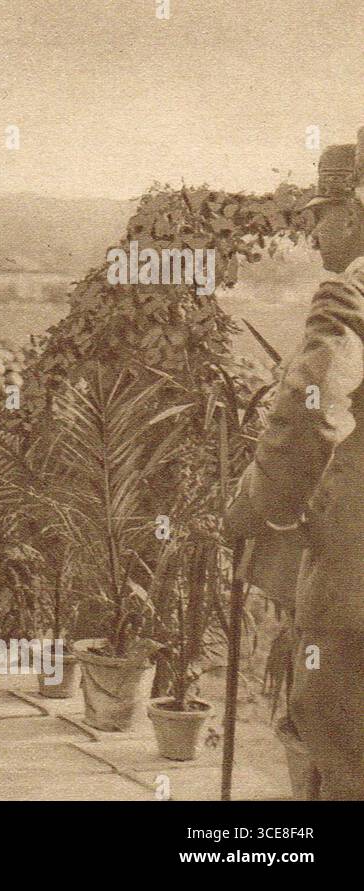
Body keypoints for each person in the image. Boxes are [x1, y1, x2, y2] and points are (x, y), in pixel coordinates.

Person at [225, 142, 364, 799]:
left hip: (352, 594)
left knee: (337, 752)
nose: (314, 232)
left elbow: (313, 410)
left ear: (357, 211)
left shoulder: (353, 291)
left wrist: (255, 501)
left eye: (326, 214)